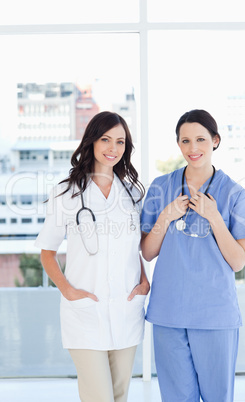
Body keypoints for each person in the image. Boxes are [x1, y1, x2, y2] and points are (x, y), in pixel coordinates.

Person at [140, 109, 245, 402]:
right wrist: (166, 215)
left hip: (215, 314)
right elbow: (148, 251)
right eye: (185, 141)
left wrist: (214, 218)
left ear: (215, 141)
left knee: (218, 397)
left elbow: (238, 261)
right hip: (169, 312)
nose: (193, 148)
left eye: (201, 139)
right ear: (178, 144)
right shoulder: (160, 187)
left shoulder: (234, 194)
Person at [35, 111, 150, 402]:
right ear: (92, 142)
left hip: (126, 308)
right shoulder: (67, 193)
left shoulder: (133, 193)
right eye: (106, 139)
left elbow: (133, 247)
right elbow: (47, 252)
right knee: (99, 397)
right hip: (85, 312)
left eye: (120, 142)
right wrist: (69, 291)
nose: (113, 148)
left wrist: (144, 280)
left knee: (120, 395)